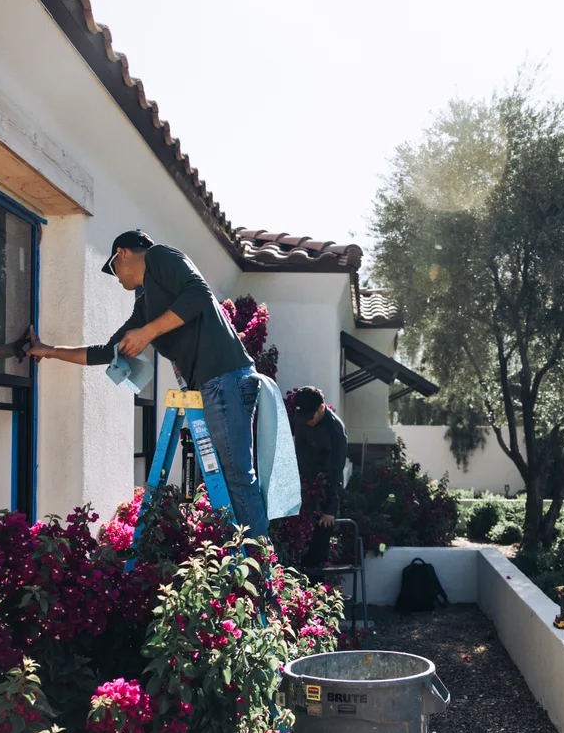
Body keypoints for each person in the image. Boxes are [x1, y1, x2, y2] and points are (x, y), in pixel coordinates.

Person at [29, 230, 269, 538]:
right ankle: (250, 562)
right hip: (213, 385)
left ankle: (261, 570)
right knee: (229, 479)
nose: (116, 279)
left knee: (236, 478)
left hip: (224, 377)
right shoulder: (145, 306)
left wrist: (149, 332)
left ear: (124, 253)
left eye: (114, 268)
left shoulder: (160, 256)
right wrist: (48, 351)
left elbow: (199, 293)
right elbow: (107, 351)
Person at [291, 386, 347, 568]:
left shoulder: (336, 431)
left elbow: (337, 470)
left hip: (324, 492)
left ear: (321, 408)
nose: (306, 422)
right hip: (301, 488)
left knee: (318, 552)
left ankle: (316, 589)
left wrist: (331, 509)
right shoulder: (301, 417)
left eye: (310, 417)